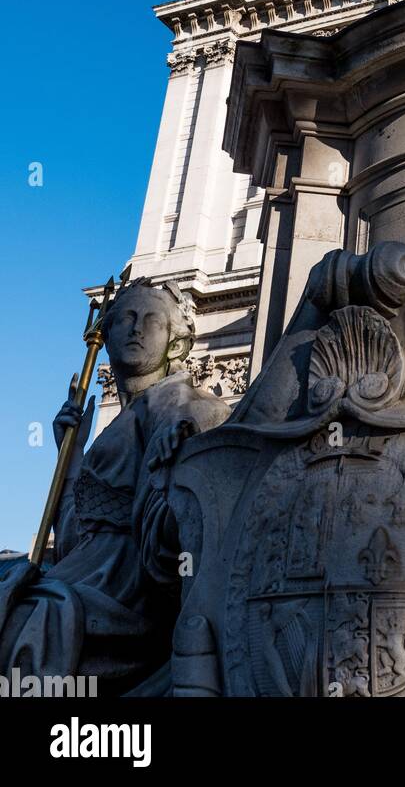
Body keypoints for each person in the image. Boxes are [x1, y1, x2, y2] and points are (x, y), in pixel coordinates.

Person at [0, 279, 228, 693]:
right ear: (106, 337)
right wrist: (70, 455)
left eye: (151, 320)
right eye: (125, 318)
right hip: (87, 578)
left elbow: (184, 531)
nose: (136, 329)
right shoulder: (121, 422)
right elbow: (75, 542)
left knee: (24, 612)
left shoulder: (178, 405)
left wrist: (171, 462)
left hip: (128, 593)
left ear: (176, 345)